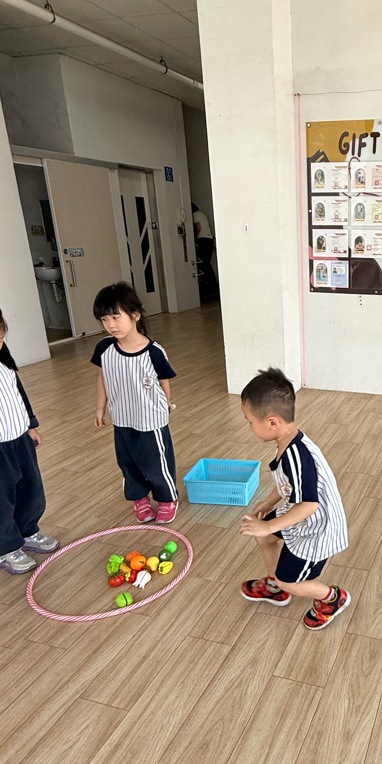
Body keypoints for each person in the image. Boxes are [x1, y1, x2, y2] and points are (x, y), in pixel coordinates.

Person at [239, 367, 350, 631]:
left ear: (272, 422)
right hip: (301, 513)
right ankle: (274, 585)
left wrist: (268, 524)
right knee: (264, 536)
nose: (249, 426)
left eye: (250, 421)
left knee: (290, 580)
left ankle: (331, 598)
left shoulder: (297, 455)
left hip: (318, 528)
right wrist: (270, 502)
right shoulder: (286, 441)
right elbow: (289, 484)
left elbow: (309, 504)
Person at [0, 300, 59, 574]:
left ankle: (28, 532)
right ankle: (5, 549)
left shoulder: (3, 364)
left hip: (20, 441)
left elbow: (19, 397)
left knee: (31, 491)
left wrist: (30, 425)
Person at [91, 282, 178, 524]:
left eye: (116, 317)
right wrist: (100, 408)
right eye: (104, 319)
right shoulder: (105, 348)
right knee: (128, 462)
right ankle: (139, 498)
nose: (110, 325)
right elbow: (103, 377)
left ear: (135, 315)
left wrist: (165, 406)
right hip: (122, 417)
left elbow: (164, 382)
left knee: (156, 462)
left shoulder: (154, 351)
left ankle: (167, 499)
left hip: (150, 418)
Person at [191, 202, 216, 283]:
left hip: (202, 240)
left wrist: (194, 240)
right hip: (209, 239)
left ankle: (207, 282)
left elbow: (198, 228)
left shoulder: (195, 215)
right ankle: (212, 282)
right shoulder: (202, 214)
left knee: (201, 262)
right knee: (206, 262)